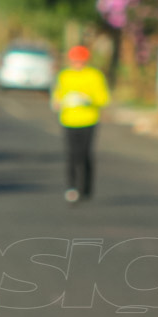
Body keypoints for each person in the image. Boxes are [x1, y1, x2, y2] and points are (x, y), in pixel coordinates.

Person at [51, 45, 111, 203]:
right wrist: (58, 102)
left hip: (88, 120)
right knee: (72, 154)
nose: (77, 63)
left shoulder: (94, 76)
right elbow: (58, 96)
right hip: (69, 120)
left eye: (80, 60)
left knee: (85, 154)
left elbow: (103, 98)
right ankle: (71, 187)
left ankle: (86, 188)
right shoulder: (64, 75)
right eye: (74, 60)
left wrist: (88, 100)